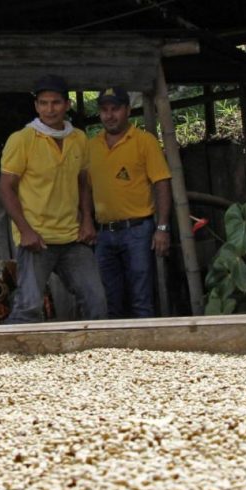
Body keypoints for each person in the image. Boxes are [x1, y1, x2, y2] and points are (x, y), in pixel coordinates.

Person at [0, 74, 106, 323]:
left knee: (96, 301)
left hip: (72, 236)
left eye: (56, 103)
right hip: (37, 238)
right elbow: (6, 187)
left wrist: (87, 220)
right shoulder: (22, 140)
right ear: (36, 106)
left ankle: (95, 355)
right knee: (29, 308)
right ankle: (12, 356)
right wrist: (25, 231)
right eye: (44, 103)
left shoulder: (78, 138)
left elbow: (83, 182)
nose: (50, 109)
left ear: (67, 105)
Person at [87, 87, 172, 318]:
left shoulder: (144, 141)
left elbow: (162, 183)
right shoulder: (91, 147)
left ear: (128, 110)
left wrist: (162, 227)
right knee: (110, 300)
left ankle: (146, 349)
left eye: (115, 109)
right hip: (104, 233)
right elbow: (84, 187)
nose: (109, 115)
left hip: (138, 231)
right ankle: (118, 352)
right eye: (104, 110)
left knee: (141, 299)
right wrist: (85, 221)